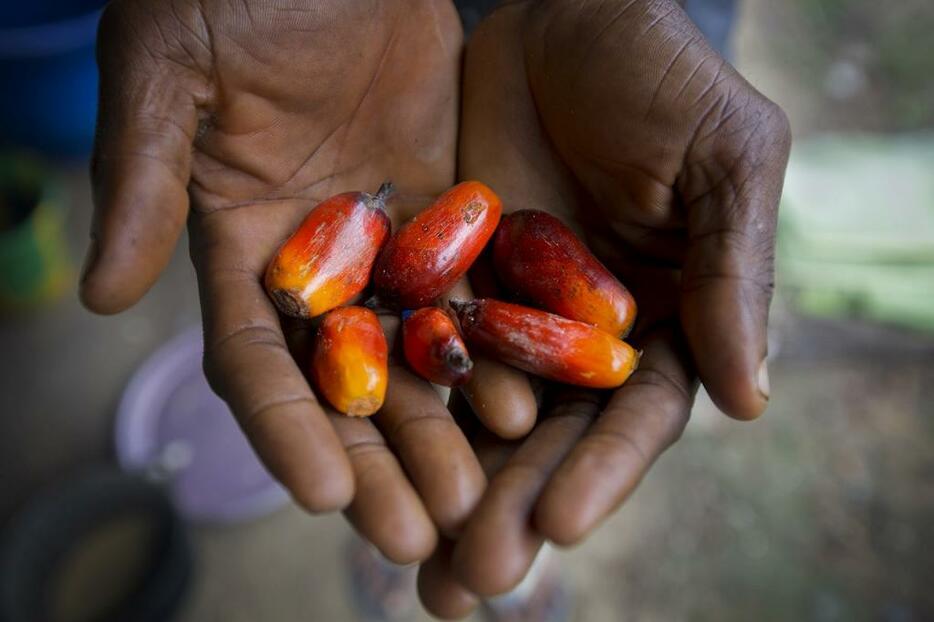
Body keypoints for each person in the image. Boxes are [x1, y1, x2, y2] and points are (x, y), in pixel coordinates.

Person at [80, 0, 790, 618]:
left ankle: (512, 566)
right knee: (424, 466)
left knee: (510, 449)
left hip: (576, 71)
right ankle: (472, 562)